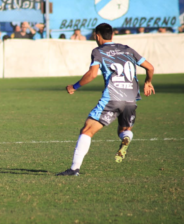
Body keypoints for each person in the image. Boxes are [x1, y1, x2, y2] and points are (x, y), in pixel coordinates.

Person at [57, 23, 155, 176]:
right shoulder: (127, 49)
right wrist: (148, 82)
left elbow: (92, 74)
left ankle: (74, 169)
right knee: (124, 130)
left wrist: (74, 86)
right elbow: (150, 67)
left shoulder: (98, 51)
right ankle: (126, 138)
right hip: (131, 98)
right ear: (112, 35)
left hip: (113, 97)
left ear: (97, 35)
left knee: (87, 130)